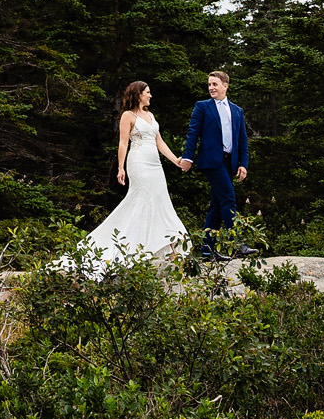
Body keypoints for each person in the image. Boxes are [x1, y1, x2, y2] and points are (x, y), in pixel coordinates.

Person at [76, 80, 193, 271]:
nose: (150, 95)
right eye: (147, 92)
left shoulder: (150, 115)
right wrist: (120, 168)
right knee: (142, 200)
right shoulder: (127, 116)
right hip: (138, 162)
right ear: (138, 94)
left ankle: (164, 246)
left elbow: (160, 142)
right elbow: (123, 143)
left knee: (161, 200)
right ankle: (131, 246)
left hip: (155, 164)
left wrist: (175, 160)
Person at [182, 70, 251, 260]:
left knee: (216, 205)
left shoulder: (237, 111)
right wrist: (188, 157)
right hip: (212, 161)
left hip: (229, 162)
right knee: (228, 198)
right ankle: (238, 244)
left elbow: (242, 140)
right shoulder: (202, 107)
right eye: (209, 84)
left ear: (225, 86)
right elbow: (192, 133)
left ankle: (207, 250)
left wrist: (243, 164)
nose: (211, 88)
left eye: (215, 84)